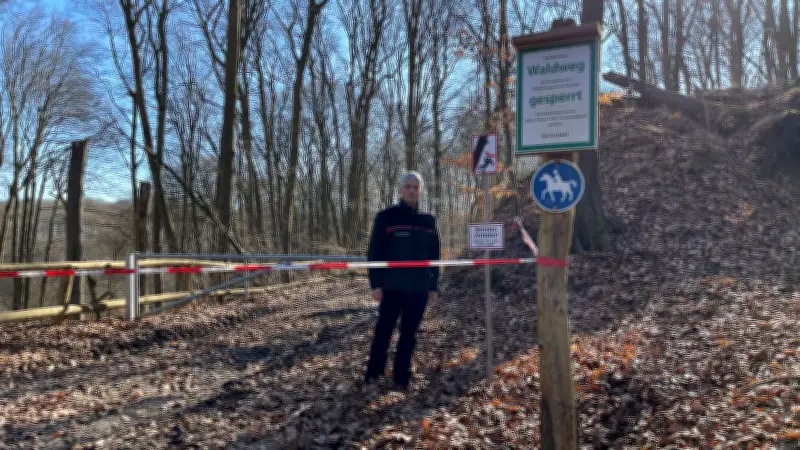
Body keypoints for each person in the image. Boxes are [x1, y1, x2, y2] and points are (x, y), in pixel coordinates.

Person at [363, 171, 440, 390]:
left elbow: (435, 256)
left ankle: (401, 374)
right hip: (391, 287)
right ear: (400, 189)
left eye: (416, 187)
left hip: (418, 288)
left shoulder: (429, 221)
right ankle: (374, 372)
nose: (412, 190)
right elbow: (374, 252)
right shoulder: (386, 217)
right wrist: (375, 284)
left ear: (421, 191)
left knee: (409, 334)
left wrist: (434, 285)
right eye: (408, 186)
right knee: (383, 331)